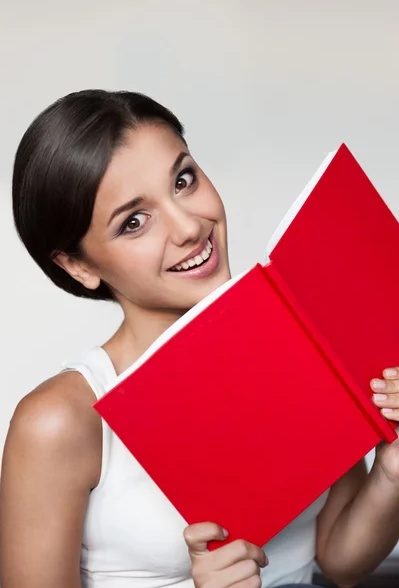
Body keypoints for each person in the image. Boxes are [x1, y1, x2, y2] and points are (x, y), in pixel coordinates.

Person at [1, 90, 399, 588]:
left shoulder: (298, 341)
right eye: (134, 222)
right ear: (78, 265)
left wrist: (391, 470)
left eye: (183, 180)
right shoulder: (60, 422)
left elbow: (338, 558)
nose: (190, 226)